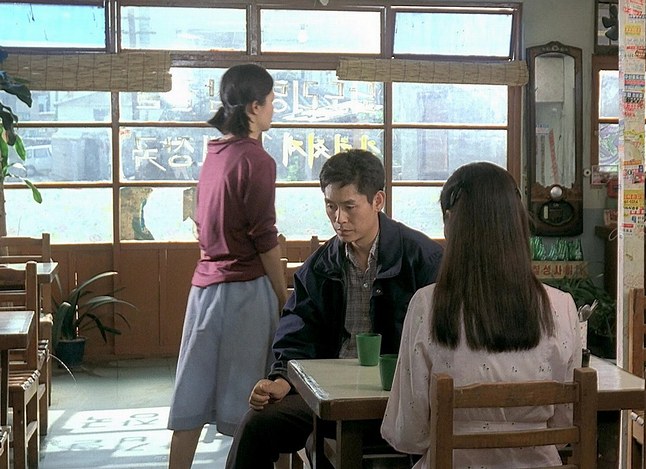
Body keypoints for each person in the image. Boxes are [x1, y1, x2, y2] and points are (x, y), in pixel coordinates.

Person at [225, 149, 444, 468]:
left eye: (349, 207)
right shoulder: (319, 267)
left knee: (325, 444)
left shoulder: (423, 259)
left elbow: (442, 339)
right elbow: (297, 331)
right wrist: (281, 378)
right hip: (328, 397)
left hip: (400, 397)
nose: (339, 219)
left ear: (378, 201)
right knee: (257, 424)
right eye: (331, 206)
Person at [380, 162, 582, 468]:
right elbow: (563, 429)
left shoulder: (427, 305)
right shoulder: (562, 306)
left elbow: (410, 433)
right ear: (518, 223)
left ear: (450, 222)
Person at [168, 63, 288, 469]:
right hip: (246, 292)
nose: (273, 109)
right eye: (271, 101)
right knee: (260, 401)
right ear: (254, 107)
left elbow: (203, 222)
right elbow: (264, 237)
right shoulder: (257, 160)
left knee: (191, 396)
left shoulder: (214, 153)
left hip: (203, 290)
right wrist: (283, 295)